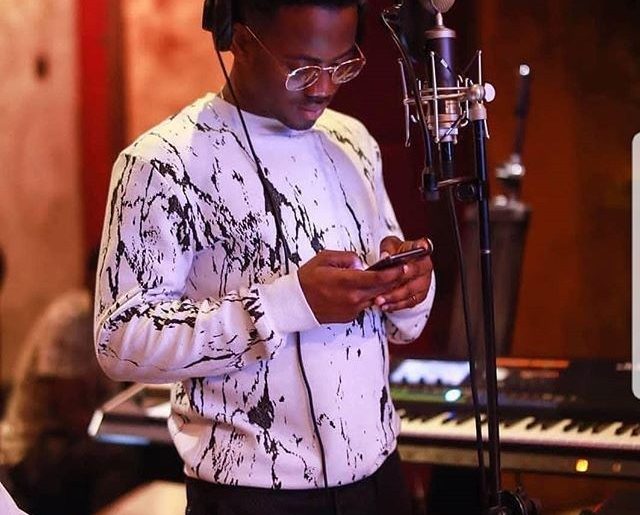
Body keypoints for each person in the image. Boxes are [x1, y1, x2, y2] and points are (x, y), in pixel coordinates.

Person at [94, 1, 435, 514]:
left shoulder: (354, 141)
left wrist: (409, 290)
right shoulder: (162, 162)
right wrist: (285, 304)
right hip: (251, 497)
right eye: (302, 67)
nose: (323, 87)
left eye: (340, 64)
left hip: (381, 481)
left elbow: (398, 325)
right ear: (239, 40)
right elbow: (119, 341)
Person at [0, 249, 142, 514]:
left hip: (79, 436)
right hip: (34, 445)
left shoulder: (118, 324)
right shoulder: (67, 321)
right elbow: (72, 416)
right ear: (90, 278)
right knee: (121, 457)